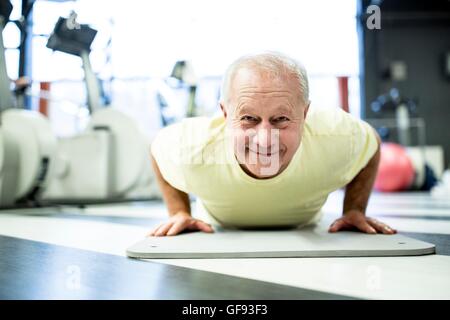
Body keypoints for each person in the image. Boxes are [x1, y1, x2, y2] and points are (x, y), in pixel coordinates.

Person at [149, 52, 396, 237]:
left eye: (281, 119)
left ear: (306, 113)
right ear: (225, 114)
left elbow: (371, 141)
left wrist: (354, 209)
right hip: (218, 226)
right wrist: (179, 212)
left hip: (304, 225)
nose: (265, 140)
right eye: (248, 119)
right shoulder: (193, 145)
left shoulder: (335, 135)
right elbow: (156, 149)